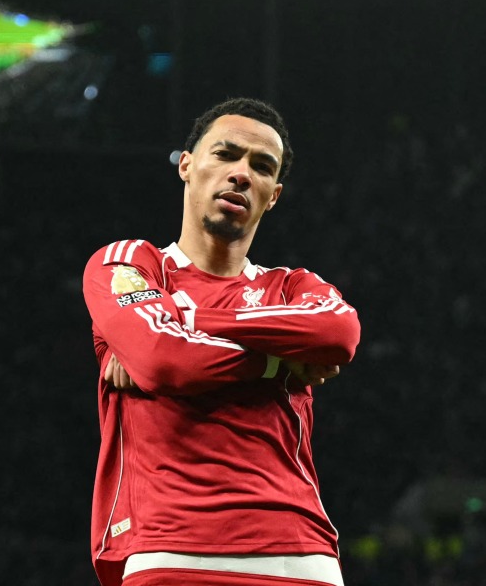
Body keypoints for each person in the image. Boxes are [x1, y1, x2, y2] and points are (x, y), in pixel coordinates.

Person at [83, 96, 361, 586]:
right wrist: (277, 362)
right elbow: (163, 359)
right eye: (225, 154)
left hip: (299, 555)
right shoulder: (128, 264)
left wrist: (184, 319)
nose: (240, 173)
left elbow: (338, 334)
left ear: (273, 195)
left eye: (260, 166)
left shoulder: (295, 286)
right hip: (170, 551)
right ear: (187, 166)